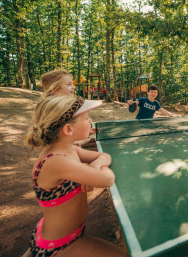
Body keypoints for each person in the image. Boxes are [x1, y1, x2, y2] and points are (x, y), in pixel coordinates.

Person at [24, 95, 125, 256]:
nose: (91, 120)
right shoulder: (57, 161)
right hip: (60, 245)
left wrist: (96, 164)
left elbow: (104, 156)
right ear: (68, 130)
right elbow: (108, 179)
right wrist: (96, 167)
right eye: (86, 118)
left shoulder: (70, 149)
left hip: (69, 233)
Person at [41, 69, 95, 148]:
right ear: (54, 88)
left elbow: (64, 132)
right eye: (69, 84)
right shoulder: (54, 109)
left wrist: (82, 131)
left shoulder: (64, 106)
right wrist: (80, 142)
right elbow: (52, 142)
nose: (74, 87)